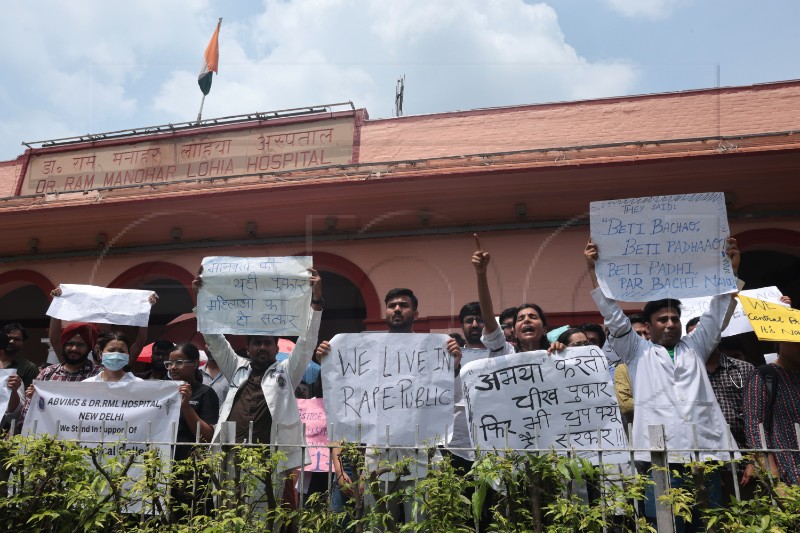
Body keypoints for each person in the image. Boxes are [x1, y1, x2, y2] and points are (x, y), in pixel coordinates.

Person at [585, 237, 742, 531]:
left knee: (710, 524)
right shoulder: (636, 351)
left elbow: (718, 310)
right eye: (662, 320)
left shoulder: (695, 347)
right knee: (666, 525)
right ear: (648, 326)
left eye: (674, 319)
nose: (670, 324)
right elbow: (613, 314)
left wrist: (730, 269)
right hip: (659, 458)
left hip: (703, 454)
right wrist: (594, 270)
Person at [316, 287, 461, 528]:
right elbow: (346, 396)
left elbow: (442, 396)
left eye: (403, 305)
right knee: (377, 526)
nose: (397, 309)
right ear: (385, 311)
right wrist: (329, 358)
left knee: (420, 525)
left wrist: (452, 366)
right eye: (392, 305)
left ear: (415, 312)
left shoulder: (434, 350)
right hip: (378, 460)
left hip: (421, 460)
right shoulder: (365, 350)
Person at [194, 267, 323, 506]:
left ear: (277, 348)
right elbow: (214, 339)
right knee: (228, 512)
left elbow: (306, 343)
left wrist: (315, 301)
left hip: (269, 457)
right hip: (230, 455)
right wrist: (203, 297)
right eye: (257, 343)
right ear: (248, 347)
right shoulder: (235, 367)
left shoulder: (287, 372)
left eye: (267, 343)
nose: (262, 348)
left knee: (264, 517)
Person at [685, 316, 756, 501]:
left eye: (705, 332)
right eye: (694, 335)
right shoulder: (683, 374)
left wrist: (754, 459)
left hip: (745, 460)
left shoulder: (743, 369)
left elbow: (757, 418)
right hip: (706, 463)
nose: (702, 338)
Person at [743, 296, 800, 487]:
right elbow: (755, 429)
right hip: (790, 476)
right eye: (795, 339)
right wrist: (773, 478)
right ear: (779, 339)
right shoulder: (765, 375)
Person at [167, 342, 219, 516]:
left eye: (179, 362)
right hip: (164, 466)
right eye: (169, 364)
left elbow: (207, 436)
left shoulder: (205, 393)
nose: (173, 368)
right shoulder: (161, 391)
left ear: (196, 363)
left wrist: (186, 406)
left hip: (191, 470)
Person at [20, 322, 101, 425]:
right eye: (70, 344)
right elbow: (28, 411)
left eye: (80, 345)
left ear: (89, 348)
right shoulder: (48, 373)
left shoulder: (99, 375)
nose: (74, 348)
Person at [1, 323, 39, 389]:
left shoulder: (29, 368)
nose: (11, 341)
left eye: (16, 339)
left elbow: (29, 396)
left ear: (22, 343)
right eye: (9, 338)